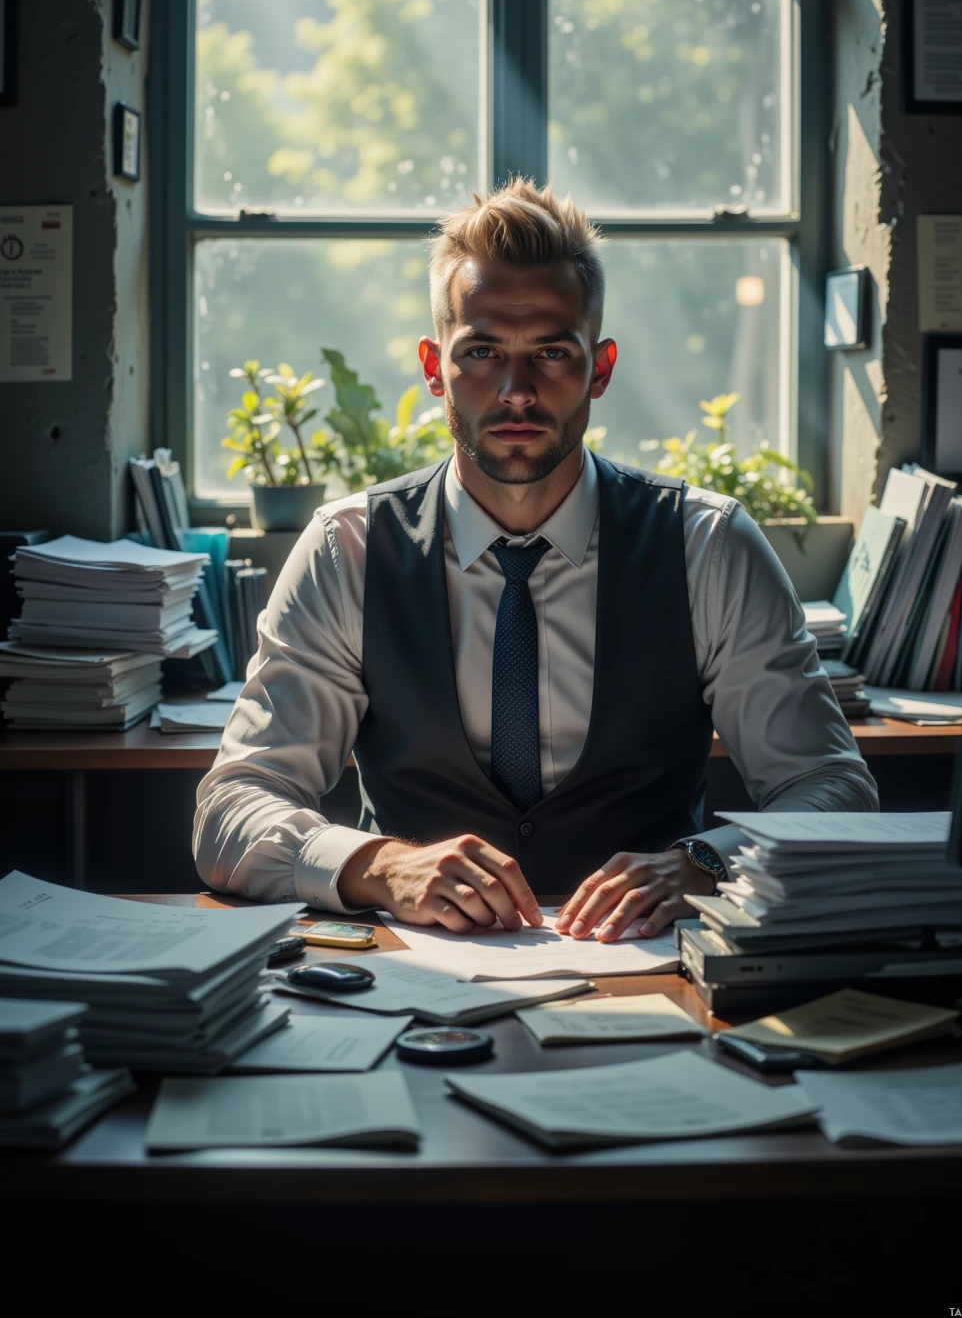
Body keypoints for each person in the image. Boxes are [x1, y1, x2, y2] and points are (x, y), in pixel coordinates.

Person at [194, 178, 878, 942]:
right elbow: (231, 809)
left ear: (602, 367)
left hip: (658, 978)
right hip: (417, 983)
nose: (516, 392)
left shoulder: (706, 546)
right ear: (432, 368)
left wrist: (712, 864)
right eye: (481, 352)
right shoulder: (347, 549)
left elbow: (834, 788)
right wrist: (380, 867)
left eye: (552, 352)